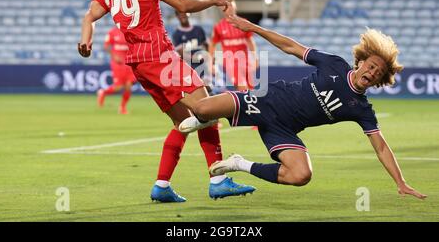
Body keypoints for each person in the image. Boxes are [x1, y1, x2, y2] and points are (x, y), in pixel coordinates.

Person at [77, 0, 255, 202]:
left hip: (139, 64)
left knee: (183, 121)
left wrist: (85, 41)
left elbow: (90, 15)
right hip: (159, 56)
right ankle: (218, 179)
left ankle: (161, 186)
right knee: (208, 110)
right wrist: (214, 0)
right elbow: (182, 4)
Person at [179, 14, 427, 200]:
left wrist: (401, 181)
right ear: (360, 62)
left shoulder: (361, 109)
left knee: (301, 175)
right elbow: (291, 46)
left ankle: (239, 163)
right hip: (266, 101)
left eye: (379, 73)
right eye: (371, 66)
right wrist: (254, 28)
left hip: (284, 130)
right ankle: (209, 118)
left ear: (379, 81)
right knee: (200, 108)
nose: (372, 73)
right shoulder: (335, 65)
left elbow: (381, 147)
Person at [209, 0, 257, 91]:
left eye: (232, 5)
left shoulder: (244, 23)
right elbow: (212, 44)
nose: (230, 8)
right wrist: (211, 63)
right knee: (243, 88)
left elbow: (251, 42)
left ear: (235, 7)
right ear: (223, 9)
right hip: (231, 62)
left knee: (251, 90)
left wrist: (255, 58)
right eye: (227, 6)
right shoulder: (219, 26)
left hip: (245, 61)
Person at [97, 26, 137, 114]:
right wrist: (114, 56)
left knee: (128, 85)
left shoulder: (130, 32)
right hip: (117, 63)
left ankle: (122, 108)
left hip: (129, 62)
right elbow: (106, 46)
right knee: (118, 87)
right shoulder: (112, 32)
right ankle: (103, 92)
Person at [171, 11, 213, 92]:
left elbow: (207, 45)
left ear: (189, 13)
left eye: (185, 12)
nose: (183, 15)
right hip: (189, 67)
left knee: (208, 88)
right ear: (177, 16)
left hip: (203, 66)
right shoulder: (177, 34)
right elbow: (181, 53)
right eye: (180, 13)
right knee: (196, 91)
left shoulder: (198, 30)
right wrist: (196, 57)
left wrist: (209, 59)